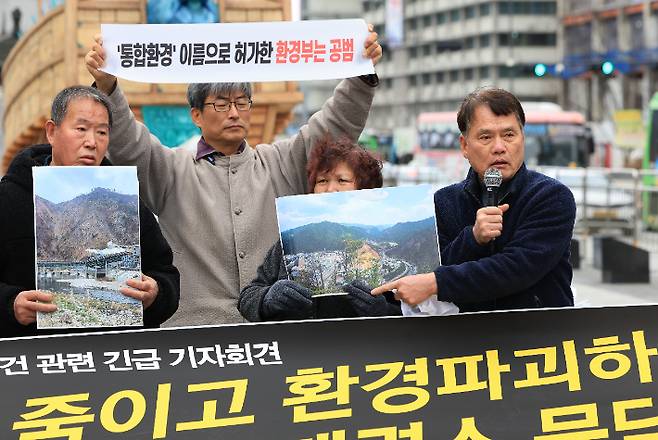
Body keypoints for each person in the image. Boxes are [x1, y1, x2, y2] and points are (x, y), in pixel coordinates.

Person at [85, 26, 382, 326]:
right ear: (196, 115)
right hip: (193, 338)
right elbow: (129, 142)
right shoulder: (172, 169)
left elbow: (332, 127)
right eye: (221, 104)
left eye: (242, 103)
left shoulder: (281, 162)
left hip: (276, 338)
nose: (234, 113)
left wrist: (361, 75)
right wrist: (108, 87)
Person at [373, 87, 576, 312]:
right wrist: (471, 238)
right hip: (466, 342)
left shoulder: (551, 196)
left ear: (522, 138)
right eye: (485, 137)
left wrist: (437, 283)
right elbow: (432, 268)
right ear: (464, 146)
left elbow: (518, 268)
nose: (499, 147)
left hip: (542, 338)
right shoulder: (444, 202)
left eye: (509, 135)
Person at [0, 86, 180, 338]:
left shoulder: (125, 199)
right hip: (36, 365)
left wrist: (156, 293)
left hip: (114, 361)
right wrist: (10, 305)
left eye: (102, 132)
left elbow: (165, 272)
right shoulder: (9, 198)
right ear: (52, 132)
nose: (92, 142)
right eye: (81, 129)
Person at [238, 137, 400, 321]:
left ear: (365, 190)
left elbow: (417, 311)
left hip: (363, 347)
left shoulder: (379, 247)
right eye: (322, 180)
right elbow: (247, 297)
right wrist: (267, 299)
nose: (330, 189)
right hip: (299, 346)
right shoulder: (291, 240)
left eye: (342, 180)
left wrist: (385, 311)